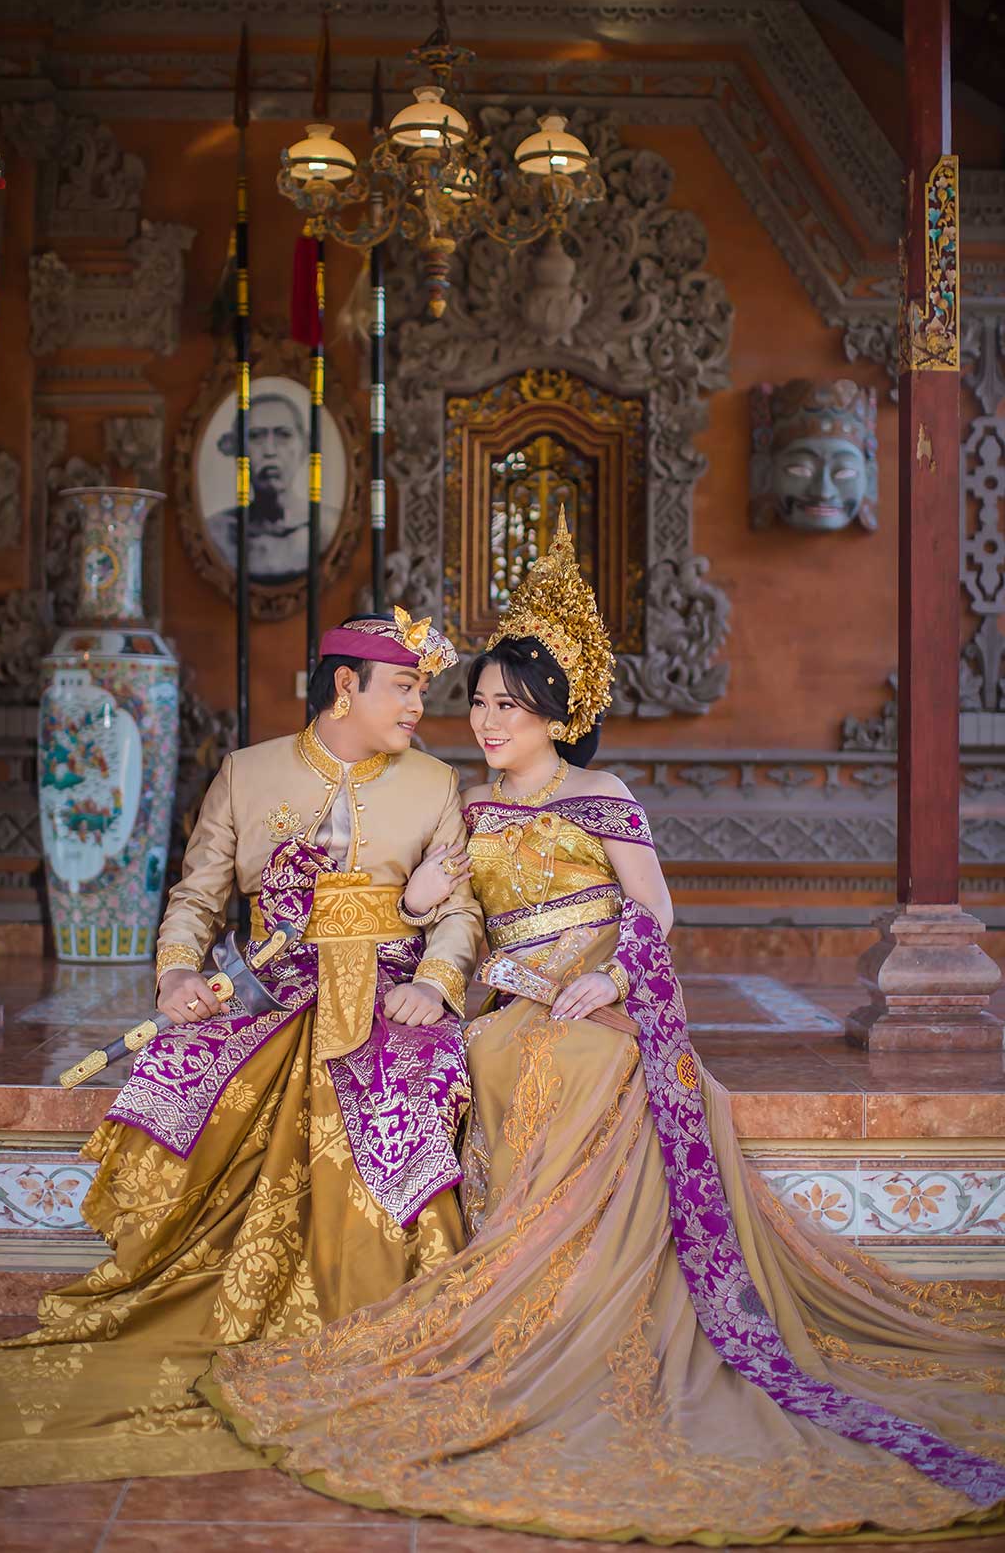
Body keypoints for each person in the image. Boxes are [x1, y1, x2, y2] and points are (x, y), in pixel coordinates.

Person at [196, 514, 1005, 1545]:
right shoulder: (470, 805)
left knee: (581, 1062)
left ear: (559, 713)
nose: (488, 721)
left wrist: (610, 976)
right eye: (480, 701)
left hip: (598, 994)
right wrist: (421, 899)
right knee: (490, 1054)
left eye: (510, 705)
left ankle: (572, 1305)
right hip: (509, 1000)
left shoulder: (600, 794)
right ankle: (522, 1296)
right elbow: (446, 914)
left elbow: (655, 909)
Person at [0, 607, 485, 1489]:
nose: (420, 705)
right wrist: (176, 976)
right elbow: (196, 897)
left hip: (390, 990)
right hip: (267, 985)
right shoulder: (249, 772)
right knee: (198, 1068)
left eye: (421, 688)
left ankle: (387, 1302)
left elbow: (458, 911)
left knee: (404, 1082)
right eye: (405, 687)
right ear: (347, 686)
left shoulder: (435, 783)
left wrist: (437, 980)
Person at [206, 390, 339, 582]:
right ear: (236, 449)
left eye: (284, 435)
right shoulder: (218, 534)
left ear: (304, 446)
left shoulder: (329, 527)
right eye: (255, 436)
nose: (269, 451)